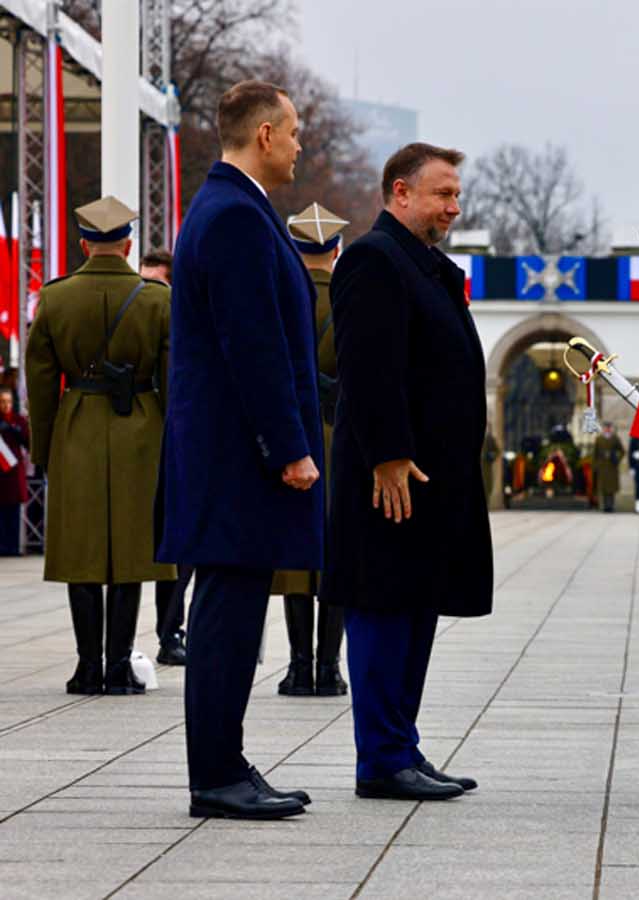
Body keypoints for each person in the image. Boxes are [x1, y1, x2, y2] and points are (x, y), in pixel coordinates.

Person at [157, 80, 320, 820]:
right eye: (293, 132)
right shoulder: (233, 217)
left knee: (235, 609)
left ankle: (224, 761)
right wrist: (287, 446)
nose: (298, 145)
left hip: (228, 452)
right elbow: (253, 347)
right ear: (264, 135)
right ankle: (216, 773)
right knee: (227, 614)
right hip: (237, 457)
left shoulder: (234, 209)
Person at [322, 142, 492, 802]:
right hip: (389, 477)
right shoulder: (374, 258)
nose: (454, 207)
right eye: (442, 194)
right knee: (383, 607)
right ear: (400, 192)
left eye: (456, 195)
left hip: (427, 479)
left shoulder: (422, 265)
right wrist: (388, 454)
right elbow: (368, 368)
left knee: (415, 607)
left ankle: (401, 746)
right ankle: (381, 757)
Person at [27, 196, 173, 696]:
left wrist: (44, 449)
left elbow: (40, 386)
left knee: (81, 551)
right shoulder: (157, 300)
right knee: (131, 554)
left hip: (77, 427)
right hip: (142, 429)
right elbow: (175, 382)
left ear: (84, 244)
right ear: (128, 246)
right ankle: (118, 667)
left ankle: (87, 666)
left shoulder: (56, 298)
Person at [271, 202, 349, 698]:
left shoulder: (280, 298)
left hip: (294, 435)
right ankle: (330, 668)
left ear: (294, 251)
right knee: (335, 550)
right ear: (336, 251)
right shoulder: (353, 299)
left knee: (296, 553)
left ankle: (299, 667)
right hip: (341, 436)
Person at [140, 248, 188, 666]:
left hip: (169, 447)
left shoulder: (180, 313)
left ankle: (170, 630)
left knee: (175, 548)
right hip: (138, 445)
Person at [0, 387, 29, 555]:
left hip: (14, 472)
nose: (6, 405)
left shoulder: (19, 421)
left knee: (14, 512)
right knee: (1, 513)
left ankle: (14, 546)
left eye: (8, 401)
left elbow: (29, 443)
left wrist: (18, 432)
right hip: (1, 474)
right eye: (2, 402)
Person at [592, 421, 624, 513]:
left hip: (612, 466)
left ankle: (611, 505)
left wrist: (616, 459)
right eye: (606, 427)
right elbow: (595, 454)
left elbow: (622, 451)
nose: (607, 429)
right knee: (603, 488)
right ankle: (605, 506)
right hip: (602, 466)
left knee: (611, 488)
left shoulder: (615, 438)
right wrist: (596, 465)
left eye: (608, 427)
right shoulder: (599, 439)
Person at [481, 423, 499, 504]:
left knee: (487, 486)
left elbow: (497, 451)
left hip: (486, 467)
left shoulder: (490, 439)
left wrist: (491, 456)